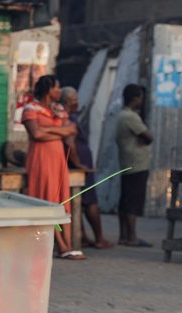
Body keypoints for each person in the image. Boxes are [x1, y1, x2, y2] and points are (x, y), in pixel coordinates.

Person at [22, 74, 82, 259]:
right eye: (57, 88)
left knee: (62, 200)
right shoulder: (30, 108)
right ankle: (62, 246)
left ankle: (68, 243)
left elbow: (72, 130)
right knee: (46, 199)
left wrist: (47, 130)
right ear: (49, 89)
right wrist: (59, 132)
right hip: (41, 159)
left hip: (57, 160)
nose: (59, 91)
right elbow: (36, 134)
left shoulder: (59, 109)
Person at [59, 86, 114, 249]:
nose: (78, 102)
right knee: (90, 201)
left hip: (78, 163)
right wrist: (78, 163)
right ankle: (99, 238)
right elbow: (70, 143)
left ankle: (82, 236)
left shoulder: (69, 116)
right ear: (69, 101)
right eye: (75, 99)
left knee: (77, 201)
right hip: (80, 165)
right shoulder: (68, 118)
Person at [114, 84, 153, 247]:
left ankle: (123, 236)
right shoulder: (131, 117)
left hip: (126, 162)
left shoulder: (121, 115)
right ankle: (132, 237)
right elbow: (148, 137)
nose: (141, 101)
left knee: (125, 201)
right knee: (133, 202)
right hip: (136, 164)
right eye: (140, 98)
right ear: (135, 98)